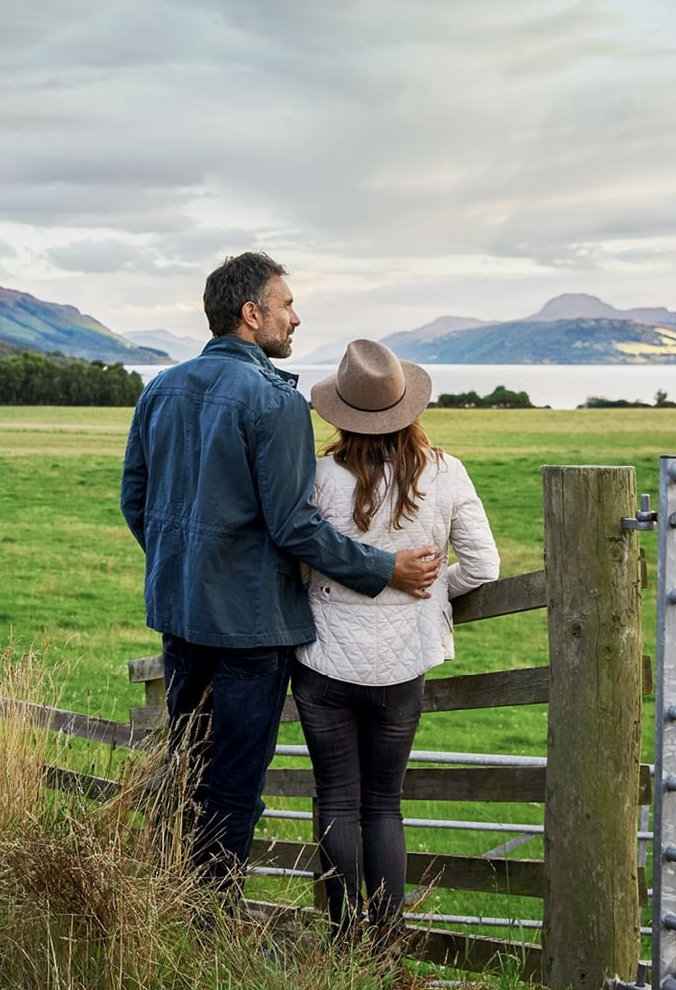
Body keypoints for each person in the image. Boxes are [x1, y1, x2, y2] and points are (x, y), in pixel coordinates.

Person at [120, 253, 441, 897]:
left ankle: (170, 906)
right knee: (235, 782)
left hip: (181, 613)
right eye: (286, 303)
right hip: (251, 627)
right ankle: (210, 922)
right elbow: (294, 526)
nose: (296, 316)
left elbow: (136, 498)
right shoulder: (274, 400)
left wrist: (184, 568)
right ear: (252, 314)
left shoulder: (160, 387)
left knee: (188, 766)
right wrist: (384, 569)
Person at [293, 339, 500, 942]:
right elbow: (483, 567)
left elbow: (301, 562)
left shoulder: (318, 477)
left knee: (335, 797)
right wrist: (433, 592)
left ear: (342, 413)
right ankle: (387, 942)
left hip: (325, 661)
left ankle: (344, 941)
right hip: (403, 662)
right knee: (384, 803)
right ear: (407, 407)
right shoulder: (446, 473)